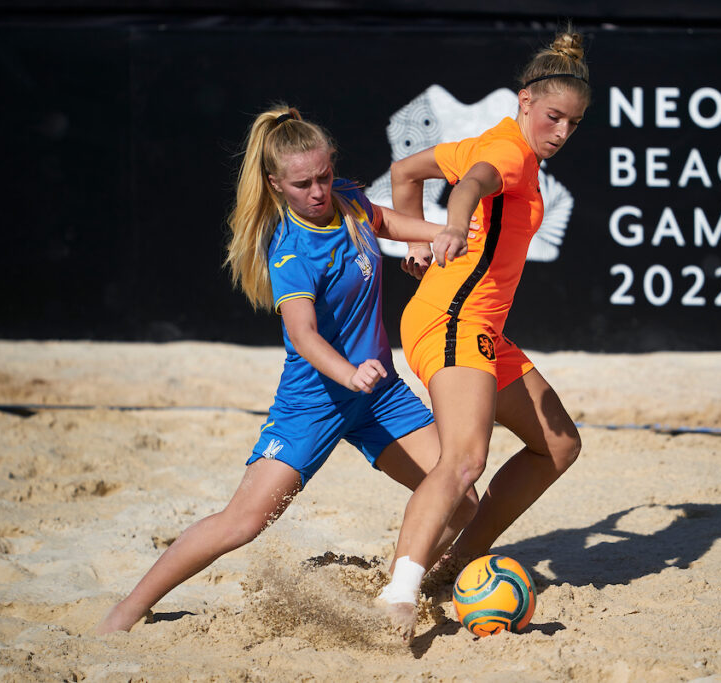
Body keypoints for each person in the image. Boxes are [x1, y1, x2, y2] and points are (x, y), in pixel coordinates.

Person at [96, 106, 477, 634]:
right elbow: (303, 335)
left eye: (323, 176)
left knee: (461, 496)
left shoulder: (345, 197)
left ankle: (395, 591)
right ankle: (128, 609)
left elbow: (379, 218)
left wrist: (435, 233)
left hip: (377, 394)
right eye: (303, 184)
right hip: (316, 399)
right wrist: (348, 376)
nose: (318, 191)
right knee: (243, 523)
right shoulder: (292, 252)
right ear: (276, 185)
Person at [376, 28, 590, 639]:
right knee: (465, 459)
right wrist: (445, 229)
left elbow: (404, 168)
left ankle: (457, 559)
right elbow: (471, 186)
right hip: (451, 321)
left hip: (482, 326)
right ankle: (399, 593)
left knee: (558, 445)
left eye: (573, 124)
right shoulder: (509, 155)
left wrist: (416, 240)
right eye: (553, 117)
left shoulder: (492, 140)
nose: (562, 133)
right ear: (524, 101)